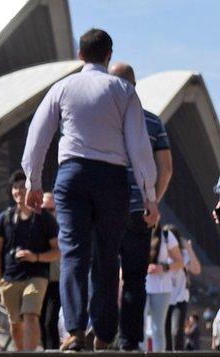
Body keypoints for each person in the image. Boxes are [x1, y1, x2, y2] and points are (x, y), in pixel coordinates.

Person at [22, 28, 159, 351]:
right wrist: (149, 195)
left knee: (73, 251)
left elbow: (37, 136)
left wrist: (34, 182)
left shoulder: (62, 87)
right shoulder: (123, 90)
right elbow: (139, 147)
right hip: (112, 177)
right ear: (109, 55)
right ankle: (105, 330)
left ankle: (73, 329)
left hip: (72, 175)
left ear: (79, 55)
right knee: (107, 254)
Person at [107, 61, 174, 350]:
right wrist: (153, 203)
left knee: (104, 273)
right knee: (135, 278)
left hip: (106, 209)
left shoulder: (101, 122)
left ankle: (102, 332)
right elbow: (166, 168)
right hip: (139, 211)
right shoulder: (152, 121)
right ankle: (129, 341)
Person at [0, 170, 60, 350]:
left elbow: (57, 251)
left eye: (22, 187)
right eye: (15, 187)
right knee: (15, 322)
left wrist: (35, 257)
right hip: (10, 278)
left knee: (31, 314)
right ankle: (20, 352)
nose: (18, 191)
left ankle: (29, 353)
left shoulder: (44, 218)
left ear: (29, 190)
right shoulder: (4, 218)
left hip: (36, 276)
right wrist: (0, 281)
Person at [144, 222, 183, 352]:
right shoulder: (135, 232)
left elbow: (179, 262)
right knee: (139, 325)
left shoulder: (166, 235)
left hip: (161, 288)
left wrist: (163, 267)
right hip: (140, 285)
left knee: (158, 328)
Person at [166, 225, 202, 350]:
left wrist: (188, 248)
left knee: (176, 331)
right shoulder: (161, 253)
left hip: (179, 298)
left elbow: (196, 269)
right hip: (164, 297)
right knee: (166, 333)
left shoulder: (183, 254)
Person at [38, 192, 62, 350]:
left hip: (57, 280)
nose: (47, 213)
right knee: (39, 321)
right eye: (44, 209)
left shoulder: (63, 227)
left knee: (50, 322)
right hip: (38, 279)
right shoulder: (36, 225)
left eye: (51, 209)